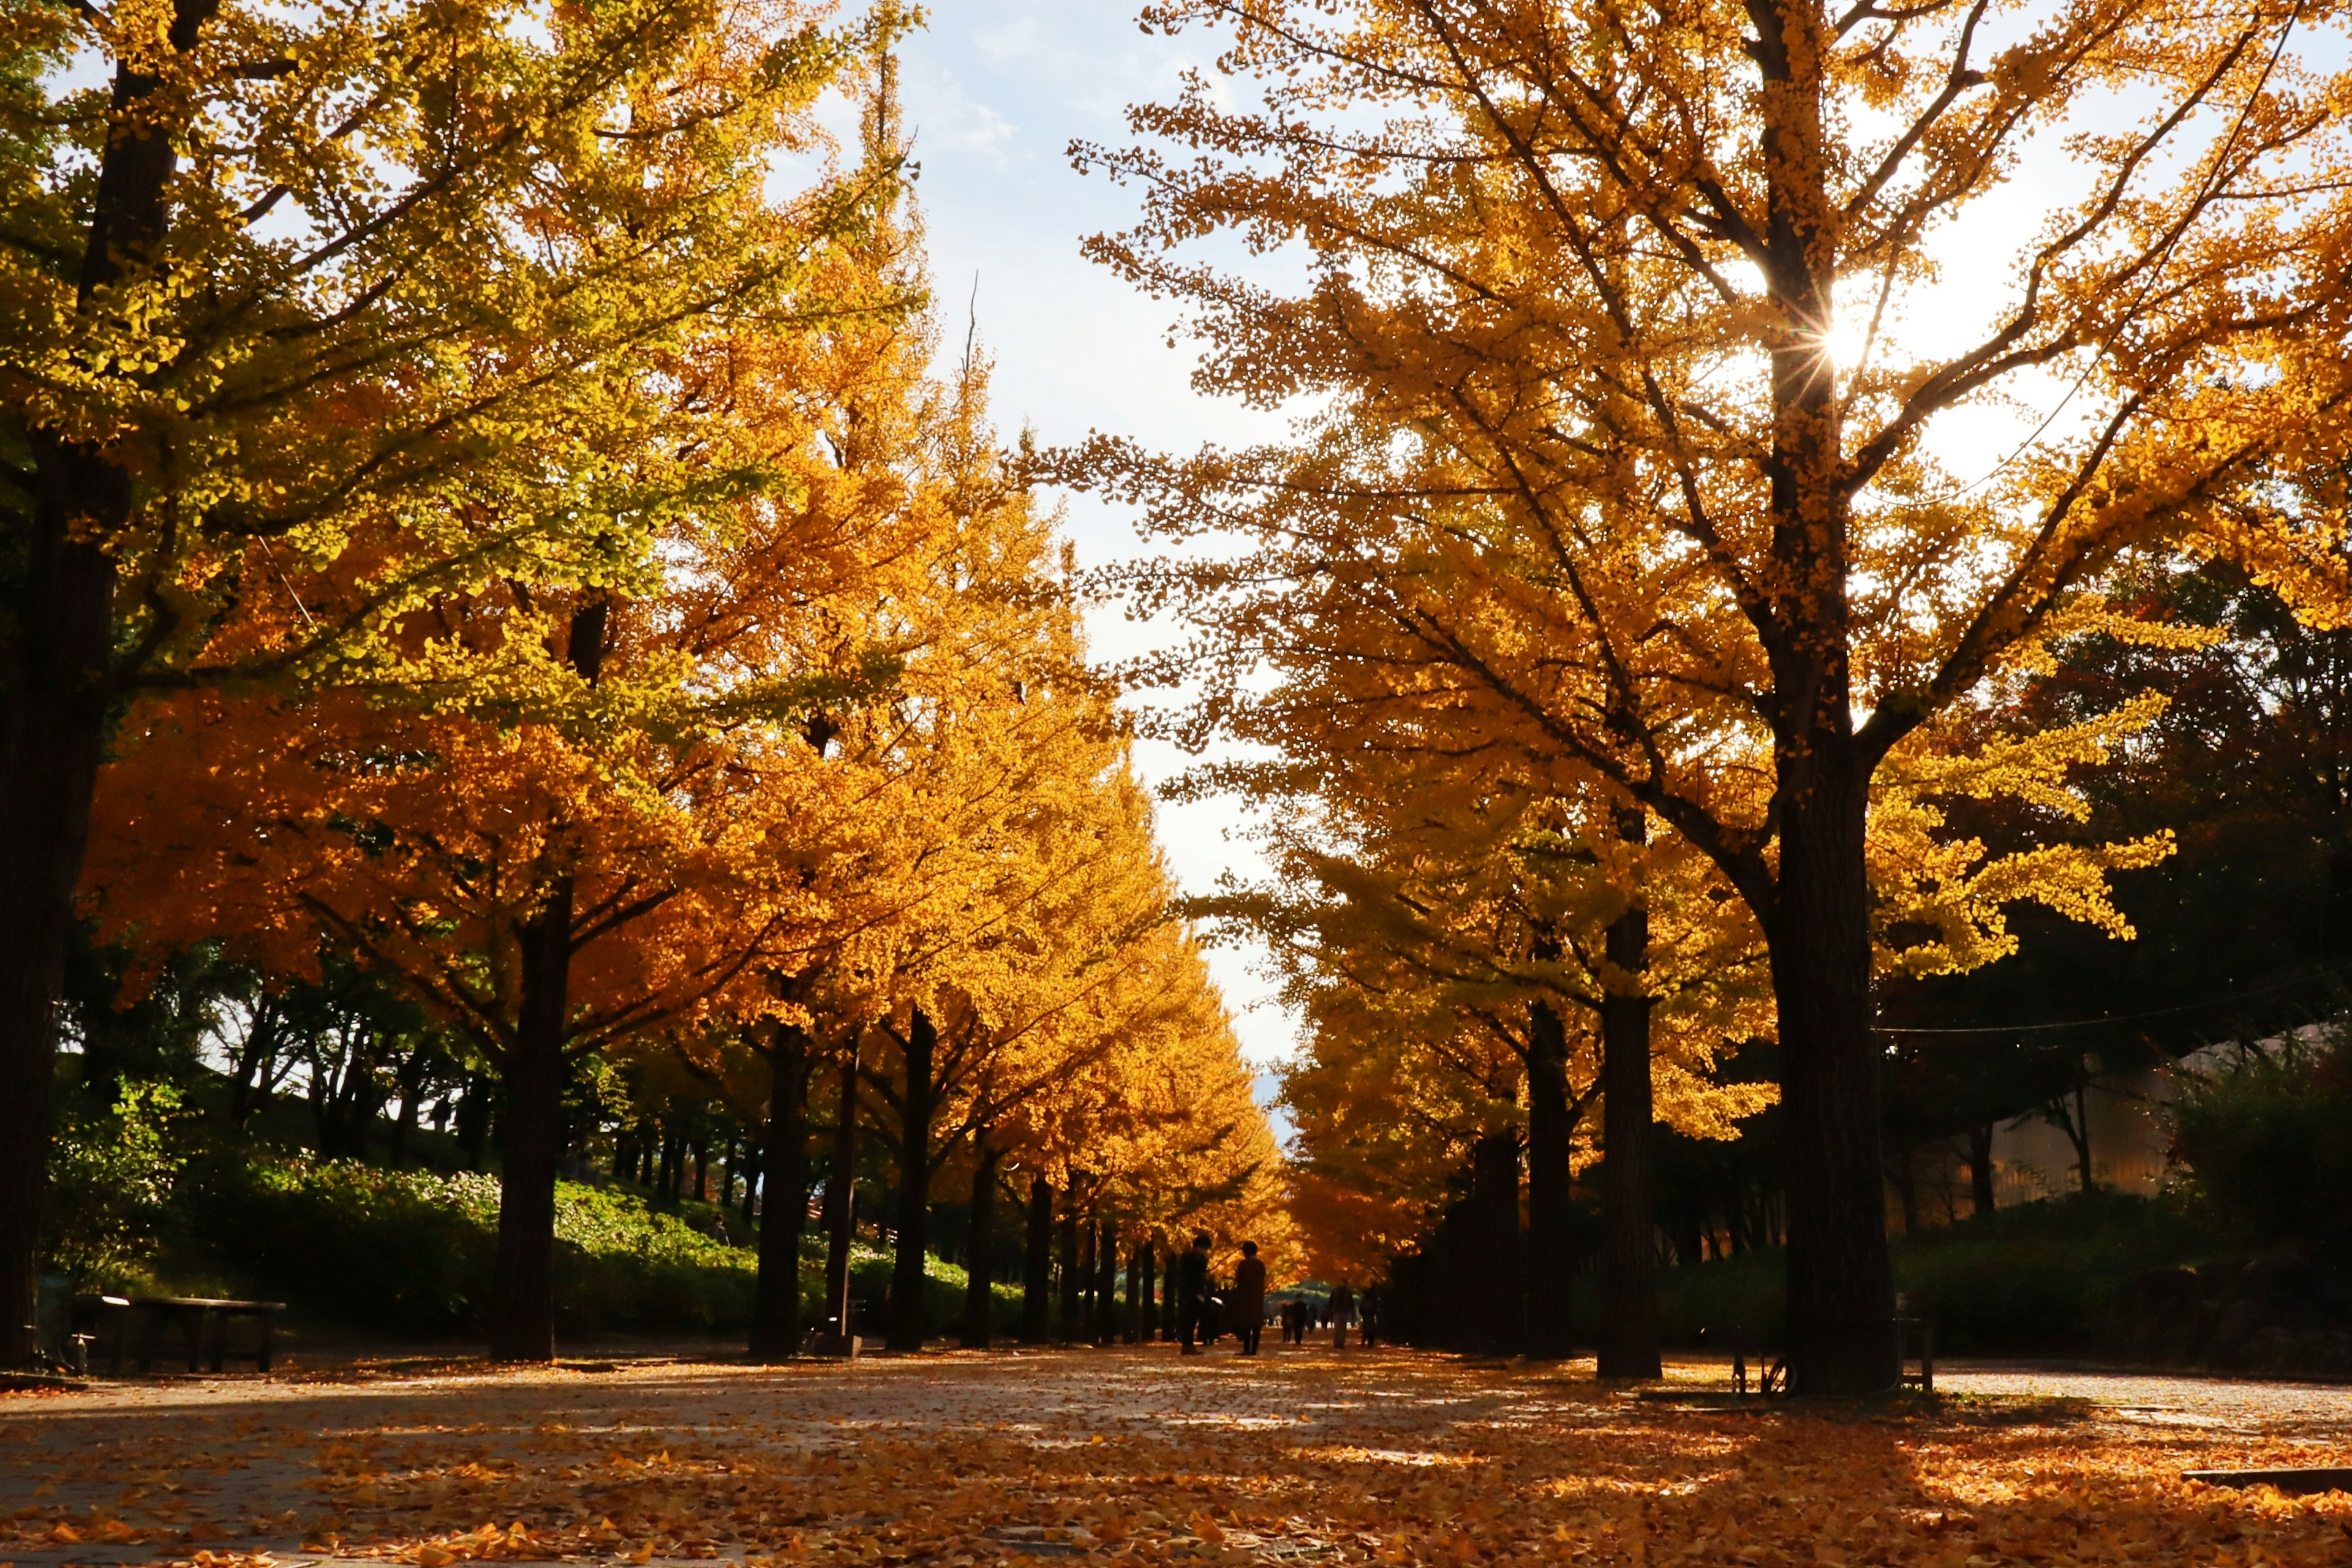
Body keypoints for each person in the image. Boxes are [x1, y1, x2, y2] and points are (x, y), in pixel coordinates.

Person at [1177, 1231, 1214, 1355]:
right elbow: (1200, 1269)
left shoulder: (1187, 1257)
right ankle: (1187, 1346)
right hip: (1192, 1292)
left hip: (1191, 1291)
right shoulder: (1192, 1258)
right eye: (1204, 1248)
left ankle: (1188, 1345)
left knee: (1192, 1320)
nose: (1205, 1251)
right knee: (1190, 1319)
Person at [1232, 1241, 1268, 1355]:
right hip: (1258, 1297)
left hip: (1246, 1296)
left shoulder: (1243, 1264)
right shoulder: (1261, 1265)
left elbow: (1239, 1280)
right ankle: (1254, 1350)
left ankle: (1246, 1348)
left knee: (1247, 1324)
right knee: (1256, 1324)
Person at [1330, 1280, 1355, 1349]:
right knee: (1337, 1328)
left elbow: (1351, 1302)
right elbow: (1331, 1301)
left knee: (1343, 1328)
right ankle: (1336, 1343)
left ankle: (1341, 1343)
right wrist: (1331, 1310)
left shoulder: (1348, 1292)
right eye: (1341, 1282)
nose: (1342, 1284)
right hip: (1337, 1311)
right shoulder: (1335, 1291)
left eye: (1343, 1282)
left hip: (1344, 1311)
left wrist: (1352, 1311)